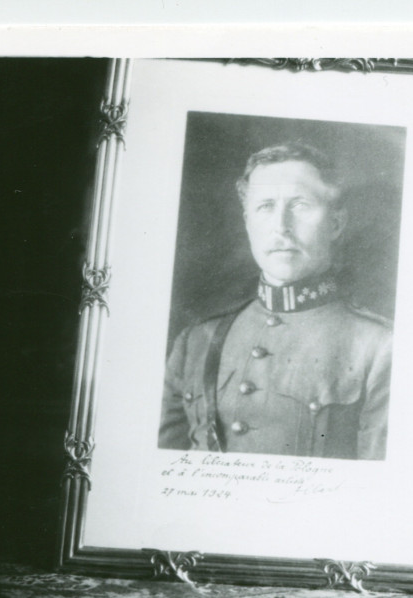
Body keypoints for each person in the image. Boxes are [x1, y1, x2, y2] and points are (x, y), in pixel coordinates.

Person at [158, 142, 392, 460]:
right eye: (266, 206)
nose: (281, 227)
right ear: (247, 222)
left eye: (300, 205)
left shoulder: (380, 347)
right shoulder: (195, 342)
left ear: (336, 223)